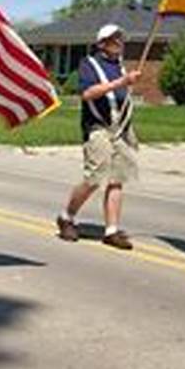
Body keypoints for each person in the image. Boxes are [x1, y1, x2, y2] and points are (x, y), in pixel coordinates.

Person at [56, 23, 140, 250]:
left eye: (121, 39)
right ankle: (67, 217)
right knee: (95, 176)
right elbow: (88, 93)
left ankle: (111, 231)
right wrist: (121, 82)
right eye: (114, 39)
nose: (120, 43)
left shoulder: (121, 67)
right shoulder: (89, 64)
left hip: (121, 130)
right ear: (102, 44)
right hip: (98, 128)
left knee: (117, 180)